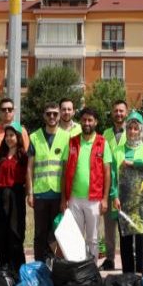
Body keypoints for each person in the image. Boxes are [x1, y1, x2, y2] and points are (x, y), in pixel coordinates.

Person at [62, 108, 113, 261]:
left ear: (96, 122)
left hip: (94, 198)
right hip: (74, 198)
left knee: (93, 238)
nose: (87, 123)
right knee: (75, 238)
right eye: (84, 120)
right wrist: (64, 198)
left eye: (90, 120)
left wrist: (104, 199)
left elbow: (107, 173)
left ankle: (92, 271)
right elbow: (64, 172)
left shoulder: (102, 143)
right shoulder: (72, 142)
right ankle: (78, 271)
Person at [27, 102, 70, 261]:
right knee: (40, 233)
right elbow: (29, 168)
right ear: (44, 116)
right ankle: (39, 266)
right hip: (40, 193)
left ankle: (55, 266)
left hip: (59, 194)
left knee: (57, 233)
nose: (52, 116)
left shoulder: (66, 137)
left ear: (59, 116)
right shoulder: (34, 137)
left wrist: (66, 197)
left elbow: (67, 169)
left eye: (55, 113)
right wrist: (30, 193)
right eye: (48, 113)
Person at [117, 111, 143, 274]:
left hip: (142, 200)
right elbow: (112, 175)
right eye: (130, 128)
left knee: (141, 239)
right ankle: (128, 277)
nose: (132, 132)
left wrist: (132, 163)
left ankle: (142, 275)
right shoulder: (118, 150)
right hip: (123, 200)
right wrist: (114, 196)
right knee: (125, 240)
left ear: (141, 131)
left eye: (135, 128)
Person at [0, 124, 29, 270]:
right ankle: (4, 268)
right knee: (1, 232)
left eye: (12, 135)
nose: (9, 138)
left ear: (17, 137)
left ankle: (17, 268)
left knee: (16, 232)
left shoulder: (23, 156)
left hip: (16, 195)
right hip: (1, 196)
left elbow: (28, 177)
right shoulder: (0, 156)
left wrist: (28, 194)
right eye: (6, 136)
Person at [100, 99, 130, 271]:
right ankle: (110, 259)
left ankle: (129, 259)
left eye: (121, 111)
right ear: (112, 113)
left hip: (127, 188)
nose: (118, 113)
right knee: (109, 226)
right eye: (116, 111)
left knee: (127, 226)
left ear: (126, 112)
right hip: (109, 188)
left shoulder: (133, 131)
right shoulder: (105, 134)